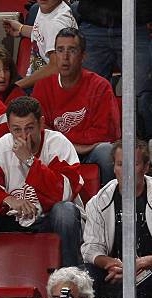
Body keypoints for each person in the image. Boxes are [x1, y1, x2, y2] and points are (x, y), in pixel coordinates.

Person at [0, 96, 84, 266]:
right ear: (8, 127)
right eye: (16, 129)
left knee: (65, 211)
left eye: (29, 128)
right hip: (11, 220)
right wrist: (8, 200)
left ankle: (72, 279)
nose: (23, 136)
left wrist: (29, 160)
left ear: (41, 123)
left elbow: (64, 193)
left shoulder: (58, 143)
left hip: (48, 219)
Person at [32, 27, 121, 186]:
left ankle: (110, 203)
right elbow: (38, 128)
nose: (65, 57)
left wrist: (70, 143)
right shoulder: (42, 87)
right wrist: (70, 145)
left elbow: (105, 132)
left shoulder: (100, 86)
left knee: (107, 152)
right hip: (55, 152)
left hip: (90, 152)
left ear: (83, 56)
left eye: (72, 50)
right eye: (60, 50)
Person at [82, 139, 152, 298]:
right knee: (87, 273)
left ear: (146, 167)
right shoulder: (98, 202)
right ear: (114, 167)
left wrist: (143, 262)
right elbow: (91, 250)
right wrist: (112, 263)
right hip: (114, 273)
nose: (127, 171)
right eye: (121, 164)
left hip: (149, 270)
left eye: (134, 164)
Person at [77, 0, 152, 141]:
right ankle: (93, 145)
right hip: (93, 23)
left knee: (142, 95)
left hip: (137, 24)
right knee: (88, 93)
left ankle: (144, 152)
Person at [3, 0, 77, 90]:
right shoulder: (48, 7)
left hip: (46, 88)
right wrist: (21, 29)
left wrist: (17, 86)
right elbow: (44, 33)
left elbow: (57, 67)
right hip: (37, 77)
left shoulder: (56, 24)